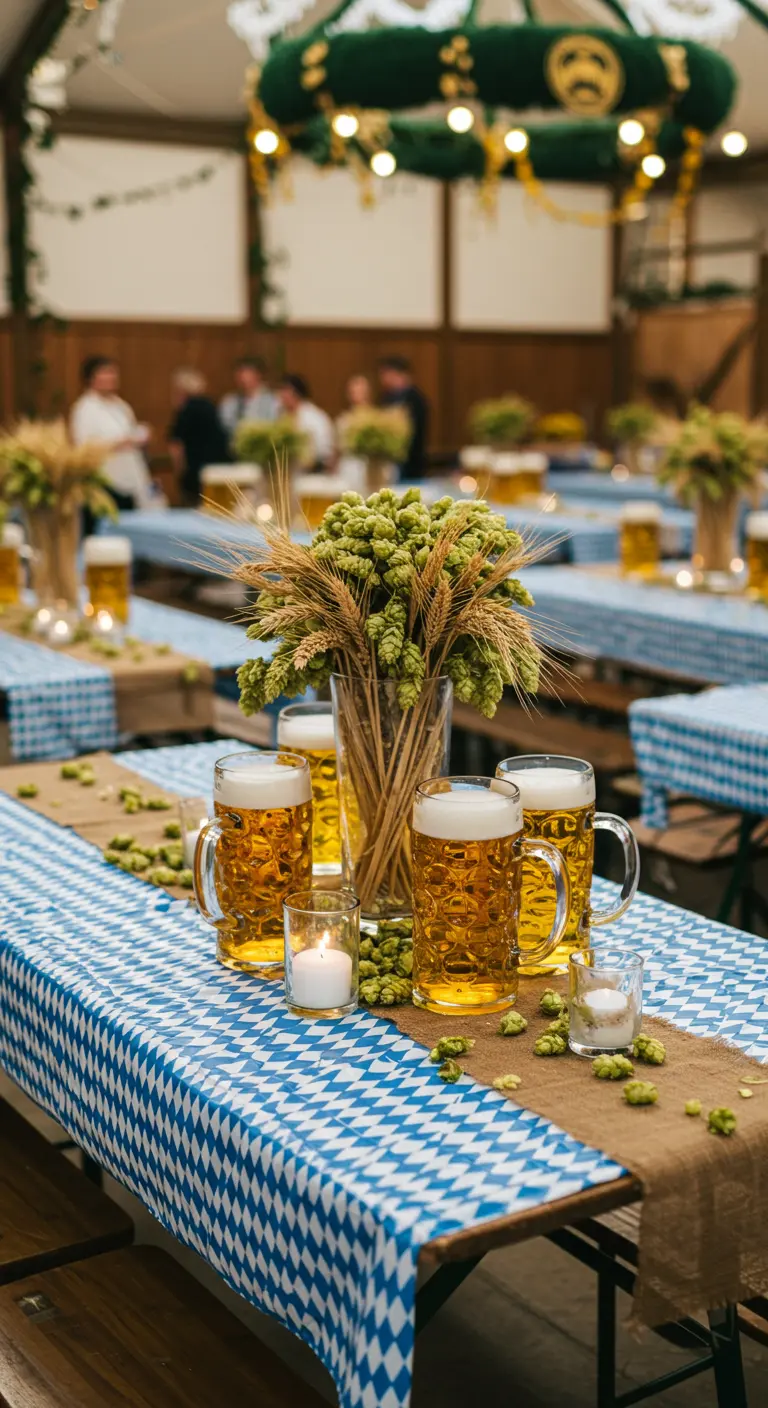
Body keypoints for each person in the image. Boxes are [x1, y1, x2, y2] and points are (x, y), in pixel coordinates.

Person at [70, 356, 152, 512]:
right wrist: (118, 444)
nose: (111, 377)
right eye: (105, 373)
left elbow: (132, 432)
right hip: (104, 481)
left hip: (128, 475)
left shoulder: (121, 405)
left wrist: (140, 438)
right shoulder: (85, 408)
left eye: (113, 373)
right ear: (91, 378)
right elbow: (83, 447)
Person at [168, 369, 231, 504]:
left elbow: (176, 446)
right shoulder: (211, 406)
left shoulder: (185, 410)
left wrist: (178, 471)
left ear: (181, 390)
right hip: (218, 470)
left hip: (195, 471)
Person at [377, 355, 429, 480]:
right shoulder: (387, 397)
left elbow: (415, 432)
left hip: (410, 459)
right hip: (390, 459)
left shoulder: (415, 399)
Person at [278, 374, 335, 470]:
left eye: (284, 391)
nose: (280, 396)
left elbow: (325, 450)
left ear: (294, 393)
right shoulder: (281, 415)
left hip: (312, 471)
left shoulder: (315, 417)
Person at [219, 356, 277, 439]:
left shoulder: (272, 400)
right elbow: (224, 425)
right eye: (239, 373)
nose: (243, 378)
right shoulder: (229, 401)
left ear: (258, 375)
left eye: (248, 372)